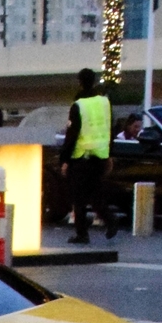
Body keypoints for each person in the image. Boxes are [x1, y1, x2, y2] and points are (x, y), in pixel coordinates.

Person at [60, 68, 112, 245]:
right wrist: (110, 153)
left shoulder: (79, 105)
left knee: (79, 199)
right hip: (100, 156)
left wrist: (65, 159)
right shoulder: (104, 102)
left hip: (81, 158)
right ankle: (111, 221)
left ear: (80, 82)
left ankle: (82, 234)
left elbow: (72, 134)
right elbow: (108, 128)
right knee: (96, 196)